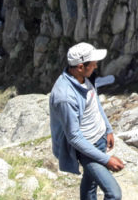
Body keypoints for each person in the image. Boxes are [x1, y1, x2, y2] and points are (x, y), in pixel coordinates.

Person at [50, 42, 124, 200]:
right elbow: (74, 137)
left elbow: (94, 102)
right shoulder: (65, 96)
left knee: (90, 183)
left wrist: (108, 129)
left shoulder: (83, 78)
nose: (96, 66)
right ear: (80, 66)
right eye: (93, 63)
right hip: (87, 148)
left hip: (100, 138)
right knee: (114, 194)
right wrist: (106, 159)